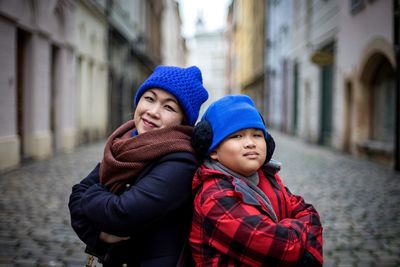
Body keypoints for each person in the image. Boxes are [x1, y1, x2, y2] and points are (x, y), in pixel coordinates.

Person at [68, 65, 208, 266]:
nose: (153, 112)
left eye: (168, 107)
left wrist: (91, 194)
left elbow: (121, 214)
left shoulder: (181, 161)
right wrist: (99, 233)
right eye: (149, 99)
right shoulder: (125, 144)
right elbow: (75, 195)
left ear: (182, 120)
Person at [190, 95, 323, 267]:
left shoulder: (267, 176)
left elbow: (308, 212)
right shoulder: (214, 196)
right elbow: (282, 248)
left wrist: (307, 250)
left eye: (257, 135)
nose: (250, 143)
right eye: (237, 136)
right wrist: (300, 237)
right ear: (213, 150)